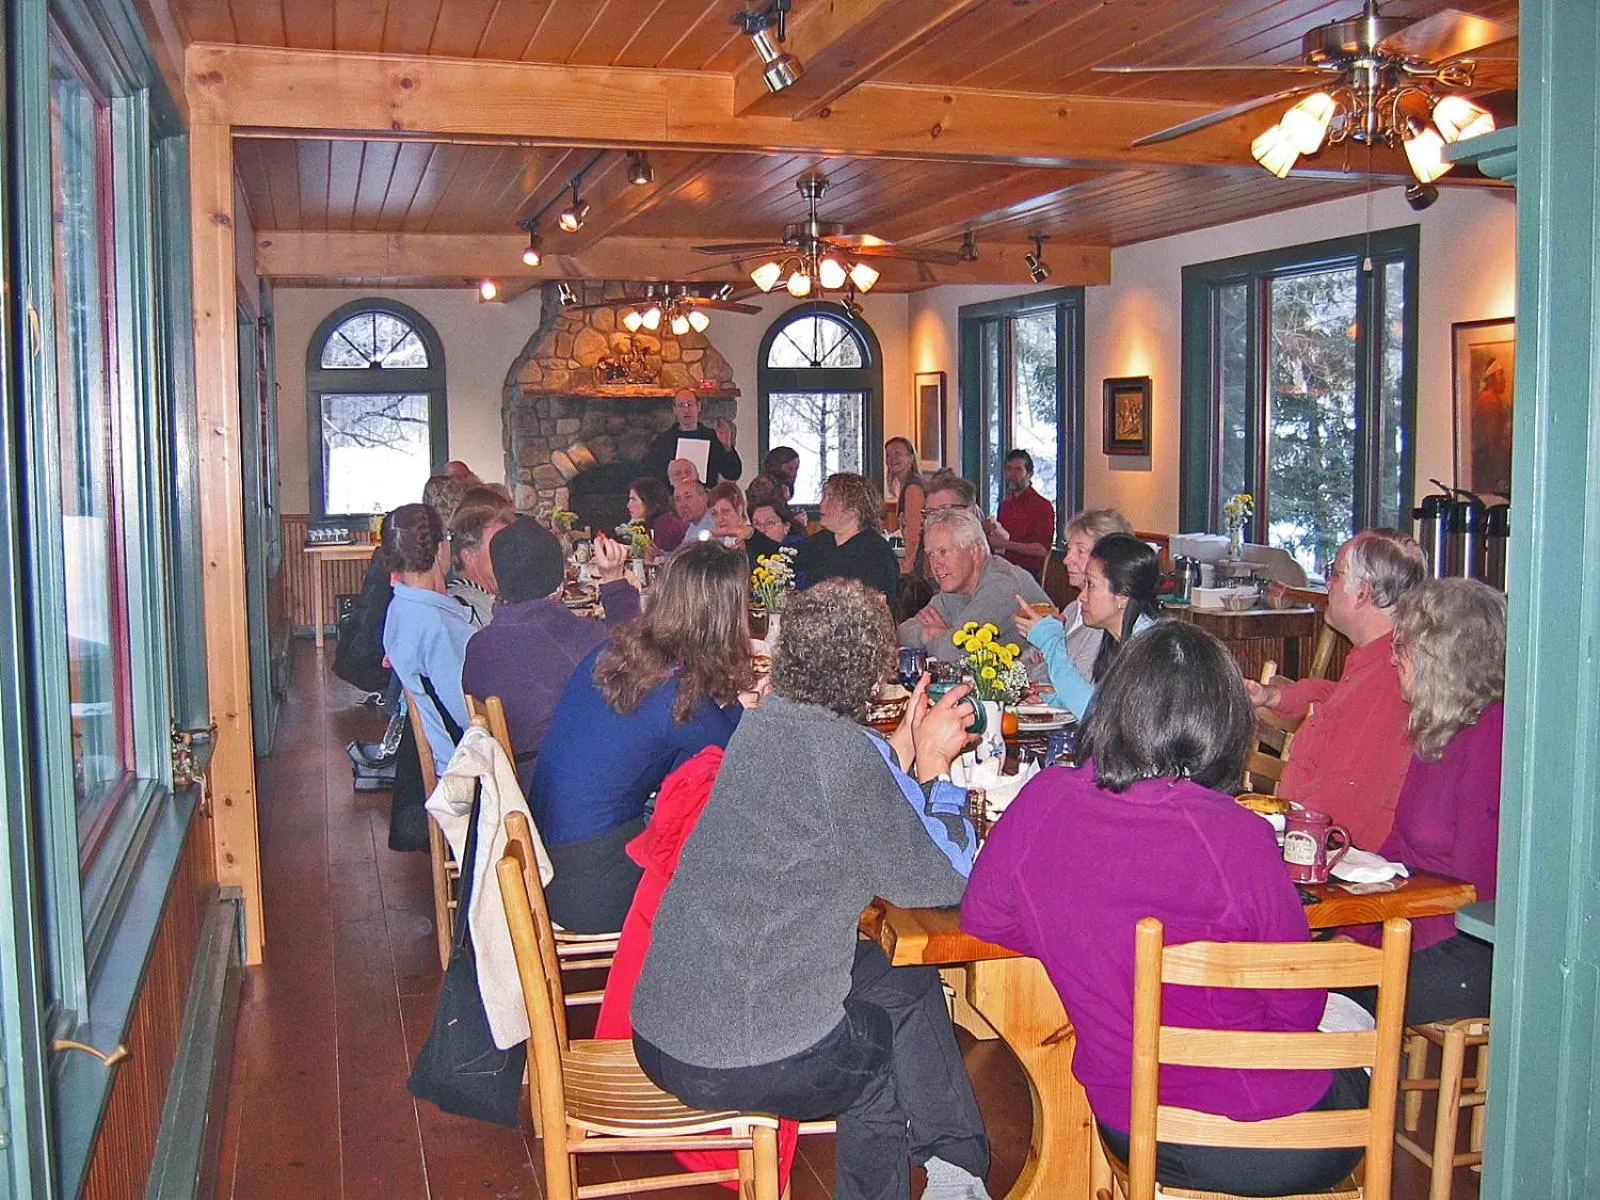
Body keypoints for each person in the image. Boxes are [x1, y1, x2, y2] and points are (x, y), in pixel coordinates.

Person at [963, 622, 1368, 1197]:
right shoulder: (1239, 836)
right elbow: (1297, 1011)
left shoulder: (1045, 800)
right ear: (1225, 723)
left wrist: (1083, 936)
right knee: (1357, 1020)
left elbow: (984, 917)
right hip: (1274, 1144)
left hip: (1131, 1126)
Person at [631, 579, 994, 1200]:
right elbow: (938, 879)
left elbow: (851, 796)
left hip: (666, 1024)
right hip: (734, 1051)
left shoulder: (766, 723)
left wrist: (903, 747)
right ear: (872, 676)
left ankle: (958, 1167)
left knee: (900, 980)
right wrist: (937, 771)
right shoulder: (840, 756)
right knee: (870, 1065)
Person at [532, 542, 755, 933]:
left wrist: (738, 708)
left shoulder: (614, 650)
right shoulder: (676, 694)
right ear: (722, 617)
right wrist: (753, 709)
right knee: (733, 874)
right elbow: (741, 758)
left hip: (547, 860)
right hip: (591, 886)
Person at [1346, 579, 1505, 1024]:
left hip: (1466, 953)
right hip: (1416, 929)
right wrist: (1354, 928)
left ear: (1443, 658)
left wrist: (1381, 945)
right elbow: (1398, 851)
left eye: (1406, 645)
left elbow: (1473, 894)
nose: (1394, 656)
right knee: (1310, 971)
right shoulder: (1440, 731)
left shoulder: (1489, 737)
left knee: (1321, 990)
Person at [1246, 529, 1427, 849]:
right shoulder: (1381, 659)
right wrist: (1275, 696)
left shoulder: (1393, 678)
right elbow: (1338, 695)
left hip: (1331, 860)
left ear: (1363, 593)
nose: (1328, 584)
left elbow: (1340, 812)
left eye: (1336, 574)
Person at [460, 518, 640, 796]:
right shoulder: (579, 639)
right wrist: (615, 583)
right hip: (567, 800)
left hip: (503, 795)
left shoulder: (478, 646)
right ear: (561, 584)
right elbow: (636, 667)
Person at [1014, 533, 1161, 718]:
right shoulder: (1115, 637)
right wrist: (1051, 700)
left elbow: (1100, 719)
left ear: (1122, 595)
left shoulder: (1149, 650)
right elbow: (1101, 703)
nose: (1081, 597)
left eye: (1090, 585)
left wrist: (1051, 642)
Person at [898, 507, 1049, 680]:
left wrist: (947, 637)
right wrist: (929, 633)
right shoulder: (956, 587)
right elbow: (902, 633)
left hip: (1043, 693)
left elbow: (951, 654)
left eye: (943, 552)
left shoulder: (1001, 585)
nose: (935, 565)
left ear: (975, 550)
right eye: (930, 555)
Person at [382, 503, 475, 771]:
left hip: (444, 754)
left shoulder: (399, 607)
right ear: (438, 548)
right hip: (463, 767)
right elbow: (470, 718)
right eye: (448, 538)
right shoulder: (438, 627)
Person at [1052, 508, 1136, 678]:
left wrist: (1048, 643)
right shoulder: (1073, 608)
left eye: (1080, 551)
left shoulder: (1103, 619)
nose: (1066, 560)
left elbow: (1081, 687)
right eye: (1069, 550)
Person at [794, 472, 900, 604]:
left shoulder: (875, 552)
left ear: (854, 509)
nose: (822, 504)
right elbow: (786, 557)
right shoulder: (823, 541)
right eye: (824, 497)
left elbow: (873, 608)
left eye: (830, 498)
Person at [445, 488, 515, 626]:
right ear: (468, 556)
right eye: (497, 548)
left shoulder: (492, 598)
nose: (509, 555)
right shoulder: (465, 611)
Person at [649, 388, 742, 486]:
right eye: (681, 406)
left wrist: (727, 447)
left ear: (698, 407)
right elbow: (655, 477)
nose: (686, 410)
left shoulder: (711, 437)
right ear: (675, 410)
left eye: (690, 404)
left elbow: (733, 474)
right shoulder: (663, 441)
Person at [986, 449, 1055, 579]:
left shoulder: (1042, 506)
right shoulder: (1005, 505)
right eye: (1009, 469)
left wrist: (1004, 544)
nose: (1012, 474)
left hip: (1029, 574)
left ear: (1029, 474)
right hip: (1003, 569)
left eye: (1018, 470)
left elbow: (1041, 550)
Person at [885, 436, 927, 576]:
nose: (892, 458)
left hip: (922, 560)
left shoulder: (913, 488)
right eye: (888, 455)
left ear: (911, 458)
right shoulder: (908, 485)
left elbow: (914, 531)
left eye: (898, 453)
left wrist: (907, 565)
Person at [626, 475, 687, 553]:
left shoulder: (666, 526)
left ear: (648, 501)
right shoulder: (652, 525)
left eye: (633, 500)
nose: (628, 505)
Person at [707, 481, 753, 549]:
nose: (720, 519)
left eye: (725, 512)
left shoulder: (751, 540)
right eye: (714, 514)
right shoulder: (725, 540)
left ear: (740, 509)